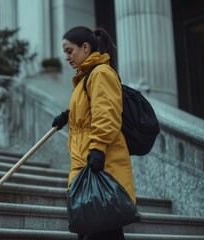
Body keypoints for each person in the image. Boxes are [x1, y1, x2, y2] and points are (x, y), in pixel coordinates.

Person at [51, 26, 136, 240]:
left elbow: (106, 114)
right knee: (92, 230)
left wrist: (97, 149)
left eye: (70, 51)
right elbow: (90, 109)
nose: (67, 57)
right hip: (84, 166)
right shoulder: (85, 78)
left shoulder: (101, 73)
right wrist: (68, 115)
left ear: (85, 47)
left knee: (103, 231)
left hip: (99, 165)